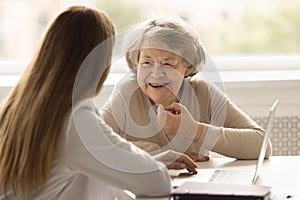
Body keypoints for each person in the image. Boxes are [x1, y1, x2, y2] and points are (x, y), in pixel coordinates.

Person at [0, 7, 197, 200]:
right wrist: (151, 168)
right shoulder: (76, 119)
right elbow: (156, 183)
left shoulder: (17, 108)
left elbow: (81, 168)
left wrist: (150, 163)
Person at [101, 16, 272, 162]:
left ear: (188, 67)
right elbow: (92, 143)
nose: (156, 73)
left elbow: (262, 145)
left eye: (168, 63)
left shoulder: (202, 92)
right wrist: (158, 153)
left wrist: (194, 130)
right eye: (147, 62)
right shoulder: (127, 91)